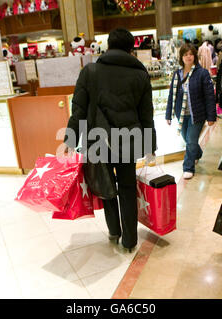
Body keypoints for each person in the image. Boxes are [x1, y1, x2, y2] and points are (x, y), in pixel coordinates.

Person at [63, 28, 157, 252]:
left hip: (99, 140)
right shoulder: (140, 74)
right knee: (127, 188)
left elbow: (79, 110)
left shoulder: (90, 71)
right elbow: (147, 115)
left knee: (106, 186)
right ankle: (130, 240)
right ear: (131, 48)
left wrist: (70, 139)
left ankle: (114, 231)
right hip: (129, 141)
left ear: (108, 46)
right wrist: (150, 146)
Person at [165, 43, 216, 179]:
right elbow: (172, 95)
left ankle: (188, 167)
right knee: (188, 140)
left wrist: (211, 117)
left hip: (197, 115)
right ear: (181, 57)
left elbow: (209, 96)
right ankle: (197, 153)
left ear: (195, 56)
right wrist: (168, 114)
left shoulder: (202, 73)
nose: (188, 57)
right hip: (181, 115)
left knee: (191, 140)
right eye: (185, 54)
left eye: (191, 54)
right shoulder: (177, 74)